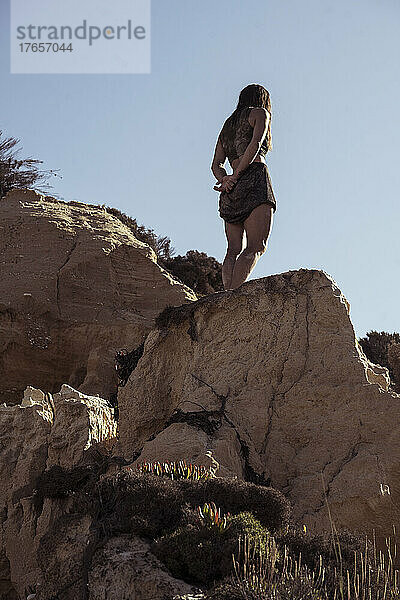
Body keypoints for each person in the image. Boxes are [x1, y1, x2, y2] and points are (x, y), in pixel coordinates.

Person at [211, 83, 277, 290]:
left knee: (232, 249)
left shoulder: (227, 126)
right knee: (256, 245)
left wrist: (226, 180)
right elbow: (255, 144)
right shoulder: (260, 113)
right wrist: (238, 175)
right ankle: (232, 297)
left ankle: (226, 294)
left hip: (230, 189)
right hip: (253, 178)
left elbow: (216, 164)